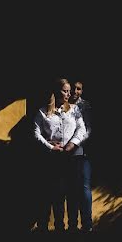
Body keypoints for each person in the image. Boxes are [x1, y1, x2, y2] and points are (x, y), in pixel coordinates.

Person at [32, 78, 87, 231]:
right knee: (56, 193)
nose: (68, 94)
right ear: (56, 91)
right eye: (65, 91)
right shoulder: (43, 112)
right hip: (53, 159)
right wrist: (50, 146)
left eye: (69, 91)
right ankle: (58, 228)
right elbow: (36, 133)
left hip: (72, 157)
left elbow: (81, 129)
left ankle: (73, 227)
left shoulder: (75, 110)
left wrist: (72, 143)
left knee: (73, 194)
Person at [67, 80, 93, 232]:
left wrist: (75, 144)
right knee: (71, 189)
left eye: (79, 89)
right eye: (74, 88)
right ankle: (72, 225)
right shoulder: (63, 105)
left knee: (84, 188)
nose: (76, 92)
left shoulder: (85, 106)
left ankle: (87, 225)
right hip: (67, 154)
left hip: (82, 153)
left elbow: (88, 129)